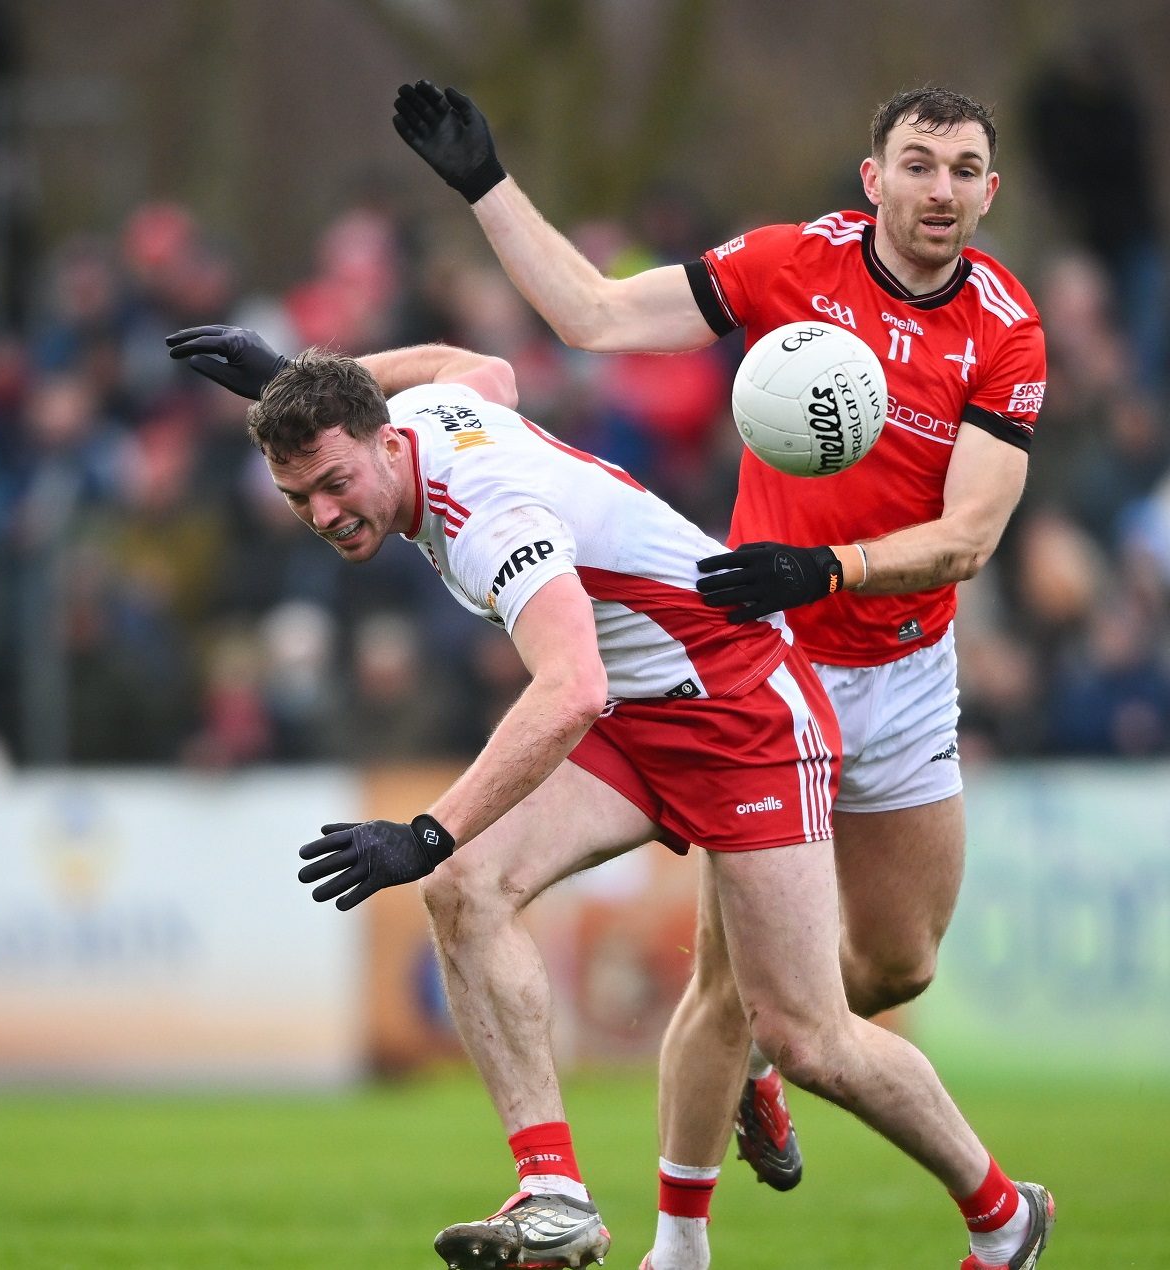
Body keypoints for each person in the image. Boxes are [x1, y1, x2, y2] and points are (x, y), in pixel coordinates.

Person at [167, 324, 1052, 1270]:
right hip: (641, 711)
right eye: (298, 496)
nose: (325, 512)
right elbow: (482, 369)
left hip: (739, 710)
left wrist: (430, 828)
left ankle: (1005, 1217)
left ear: (386, 444)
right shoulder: (414, 418)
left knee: (807, 1037)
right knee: (466, 889)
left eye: (335, 483)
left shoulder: (486, 514)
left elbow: (570, 690)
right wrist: (296, 381)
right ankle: (553, 1194)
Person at [393, 82, 1050, 1270]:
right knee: (729, 982)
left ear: (988, 194)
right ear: (874, 178)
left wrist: (826, 565)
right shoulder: (792, 263)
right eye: (918, 163)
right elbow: (591, 315)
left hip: (898, 672)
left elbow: (970, 537)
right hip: (756, 658)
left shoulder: (1005, 330)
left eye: (963, 170)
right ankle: (677, 1245)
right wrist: (488, 184)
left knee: (895, 968)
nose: (939, 189)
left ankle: (781, 1061)